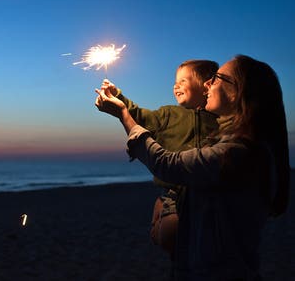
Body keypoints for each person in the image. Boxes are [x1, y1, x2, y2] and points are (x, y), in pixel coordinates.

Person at [95, 54, 290, 281]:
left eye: (216, 79)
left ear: (237, 92)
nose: (208, 83)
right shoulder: (230, 145)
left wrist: (123, 115)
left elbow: (166, 165)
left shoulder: (239, 153)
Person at [99, 59, 219, 259]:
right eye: (175, 81)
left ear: (207, 85)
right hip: (173, 193)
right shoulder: (167, 114)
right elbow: (139, 116)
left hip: (207, 193)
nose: (175, 85)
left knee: (196, 248)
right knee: (174, 243)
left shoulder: (219, 119)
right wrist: (118, 96)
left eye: (183, 80)